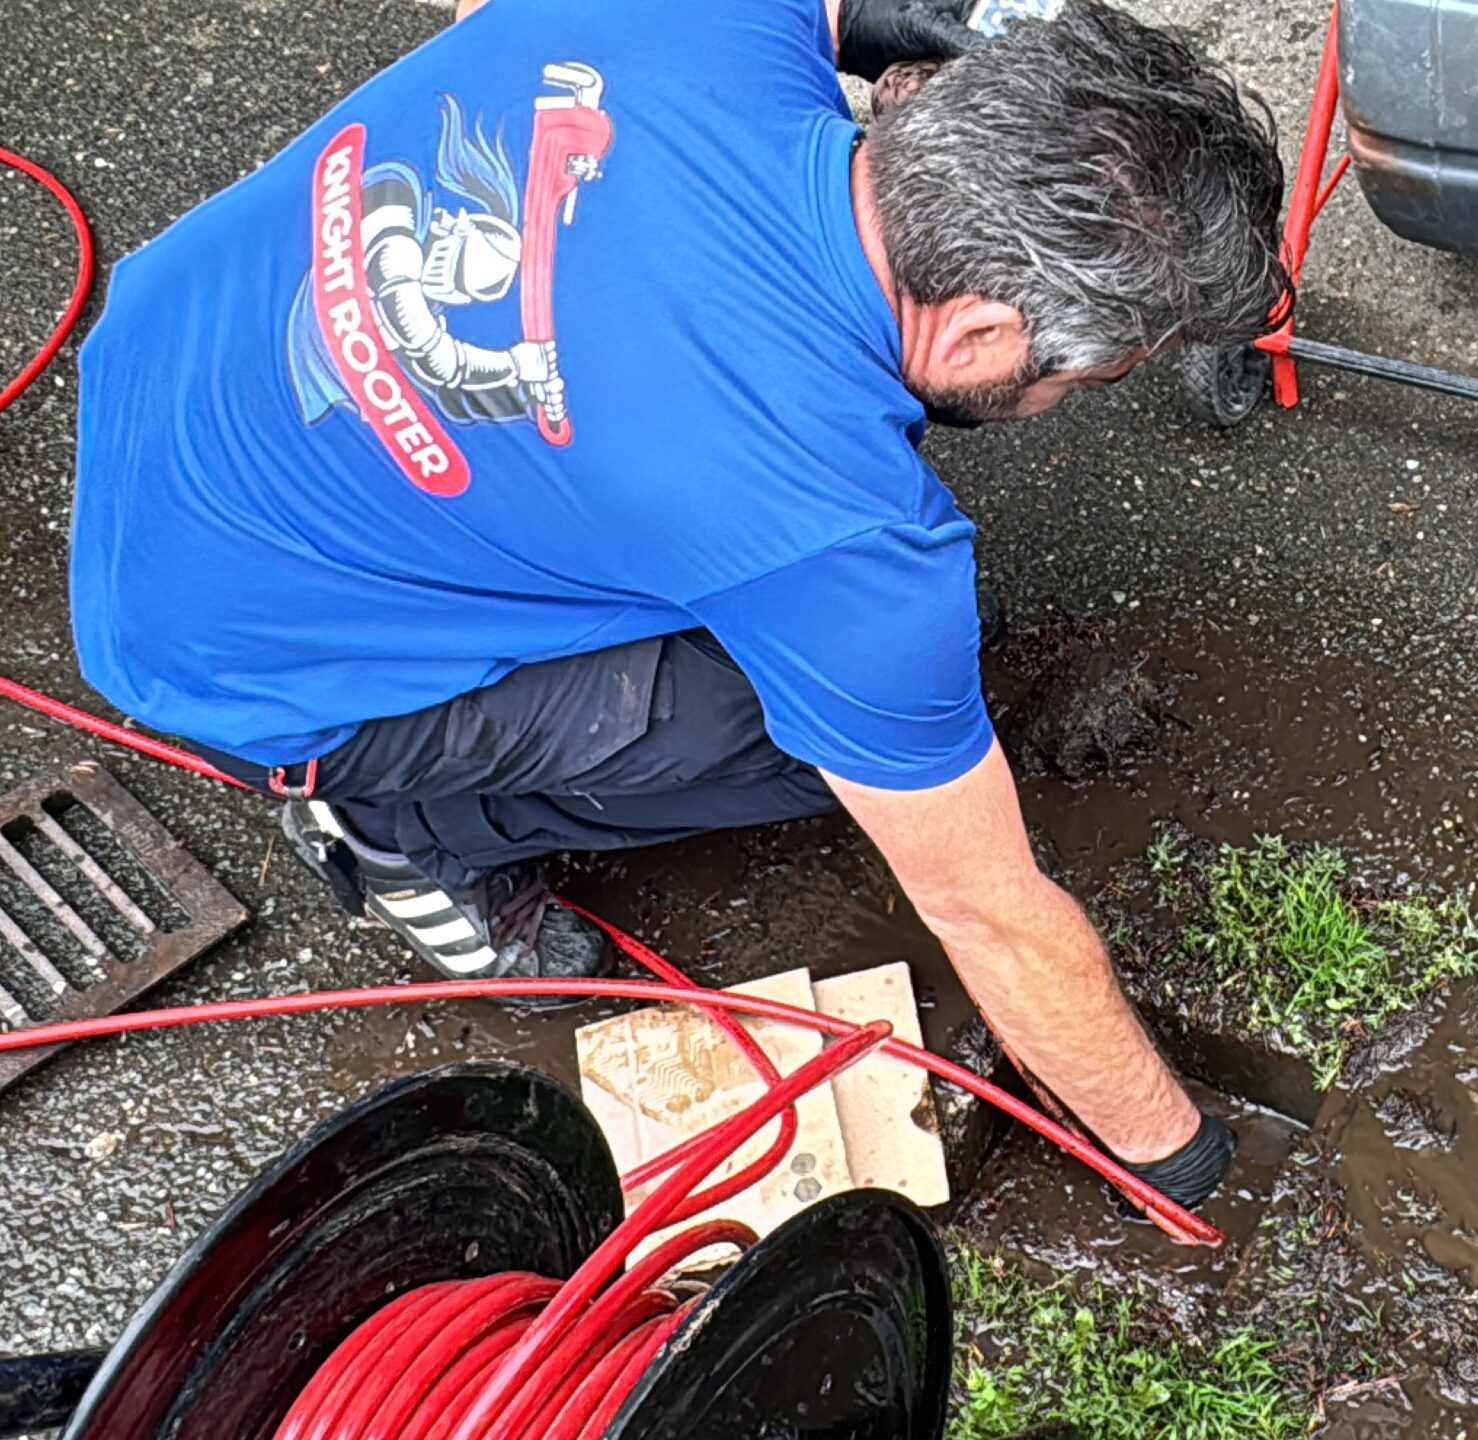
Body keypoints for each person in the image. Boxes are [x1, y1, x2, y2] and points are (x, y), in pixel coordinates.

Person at [66, 0, 1288, 1215]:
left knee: (789, 626)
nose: (1067, 400)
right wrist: (1173, 1157)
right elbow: (988, 911)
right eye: (1080, 378)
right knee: (812, 743)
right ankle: (395, 837)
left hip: (173, 348)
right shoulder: (842, 539)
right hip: (223, 647)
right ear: (978, 332)